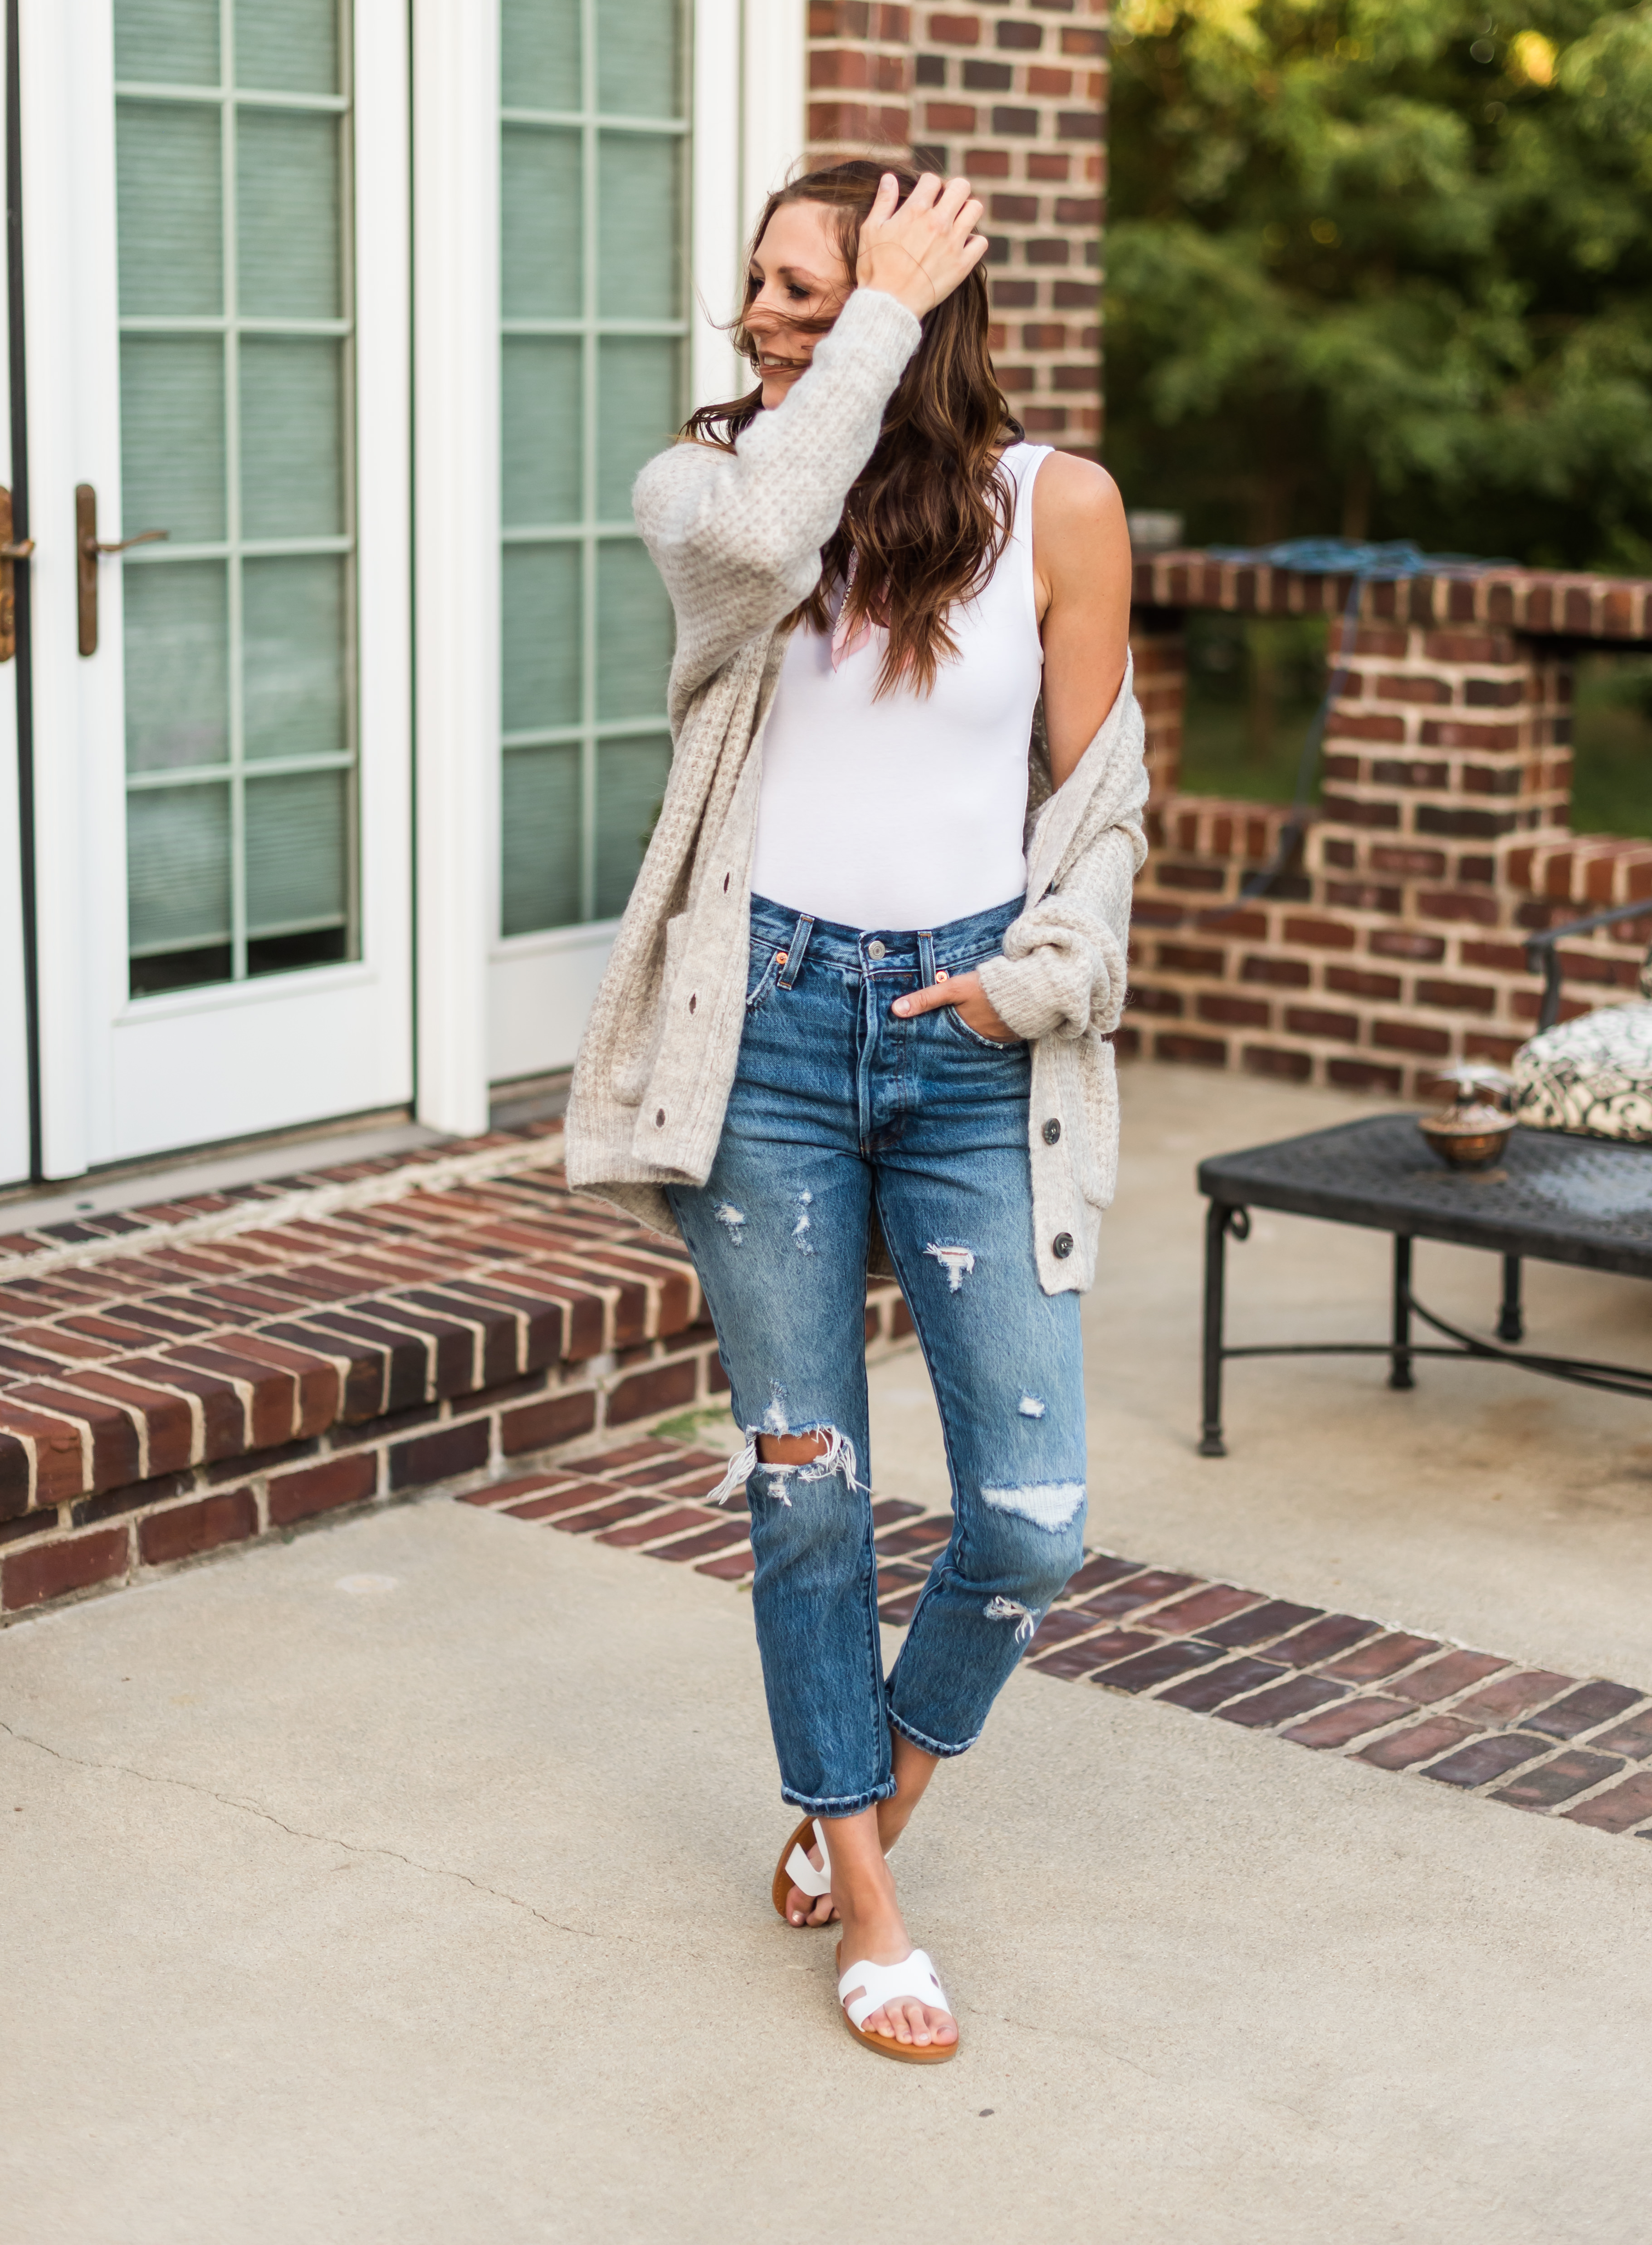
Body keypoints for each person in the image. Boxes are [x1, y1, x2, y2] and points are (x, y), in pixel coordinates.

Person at [566, 161, 1147, 2064]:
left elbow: (1101, 809)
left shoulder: (1056, 506)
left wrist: (1026, 982)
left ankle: (857, 1797)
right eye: (763, 288)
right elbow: (753, 554)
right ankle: (870, 1904)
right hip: (776, 1040)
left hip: (968, 1039)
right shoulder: (711, 493)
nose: (763, 321)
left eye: (811, 295)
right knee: (806, 1493)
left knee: (1034, 1519)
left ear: (928, 310)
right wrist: (870, 332)